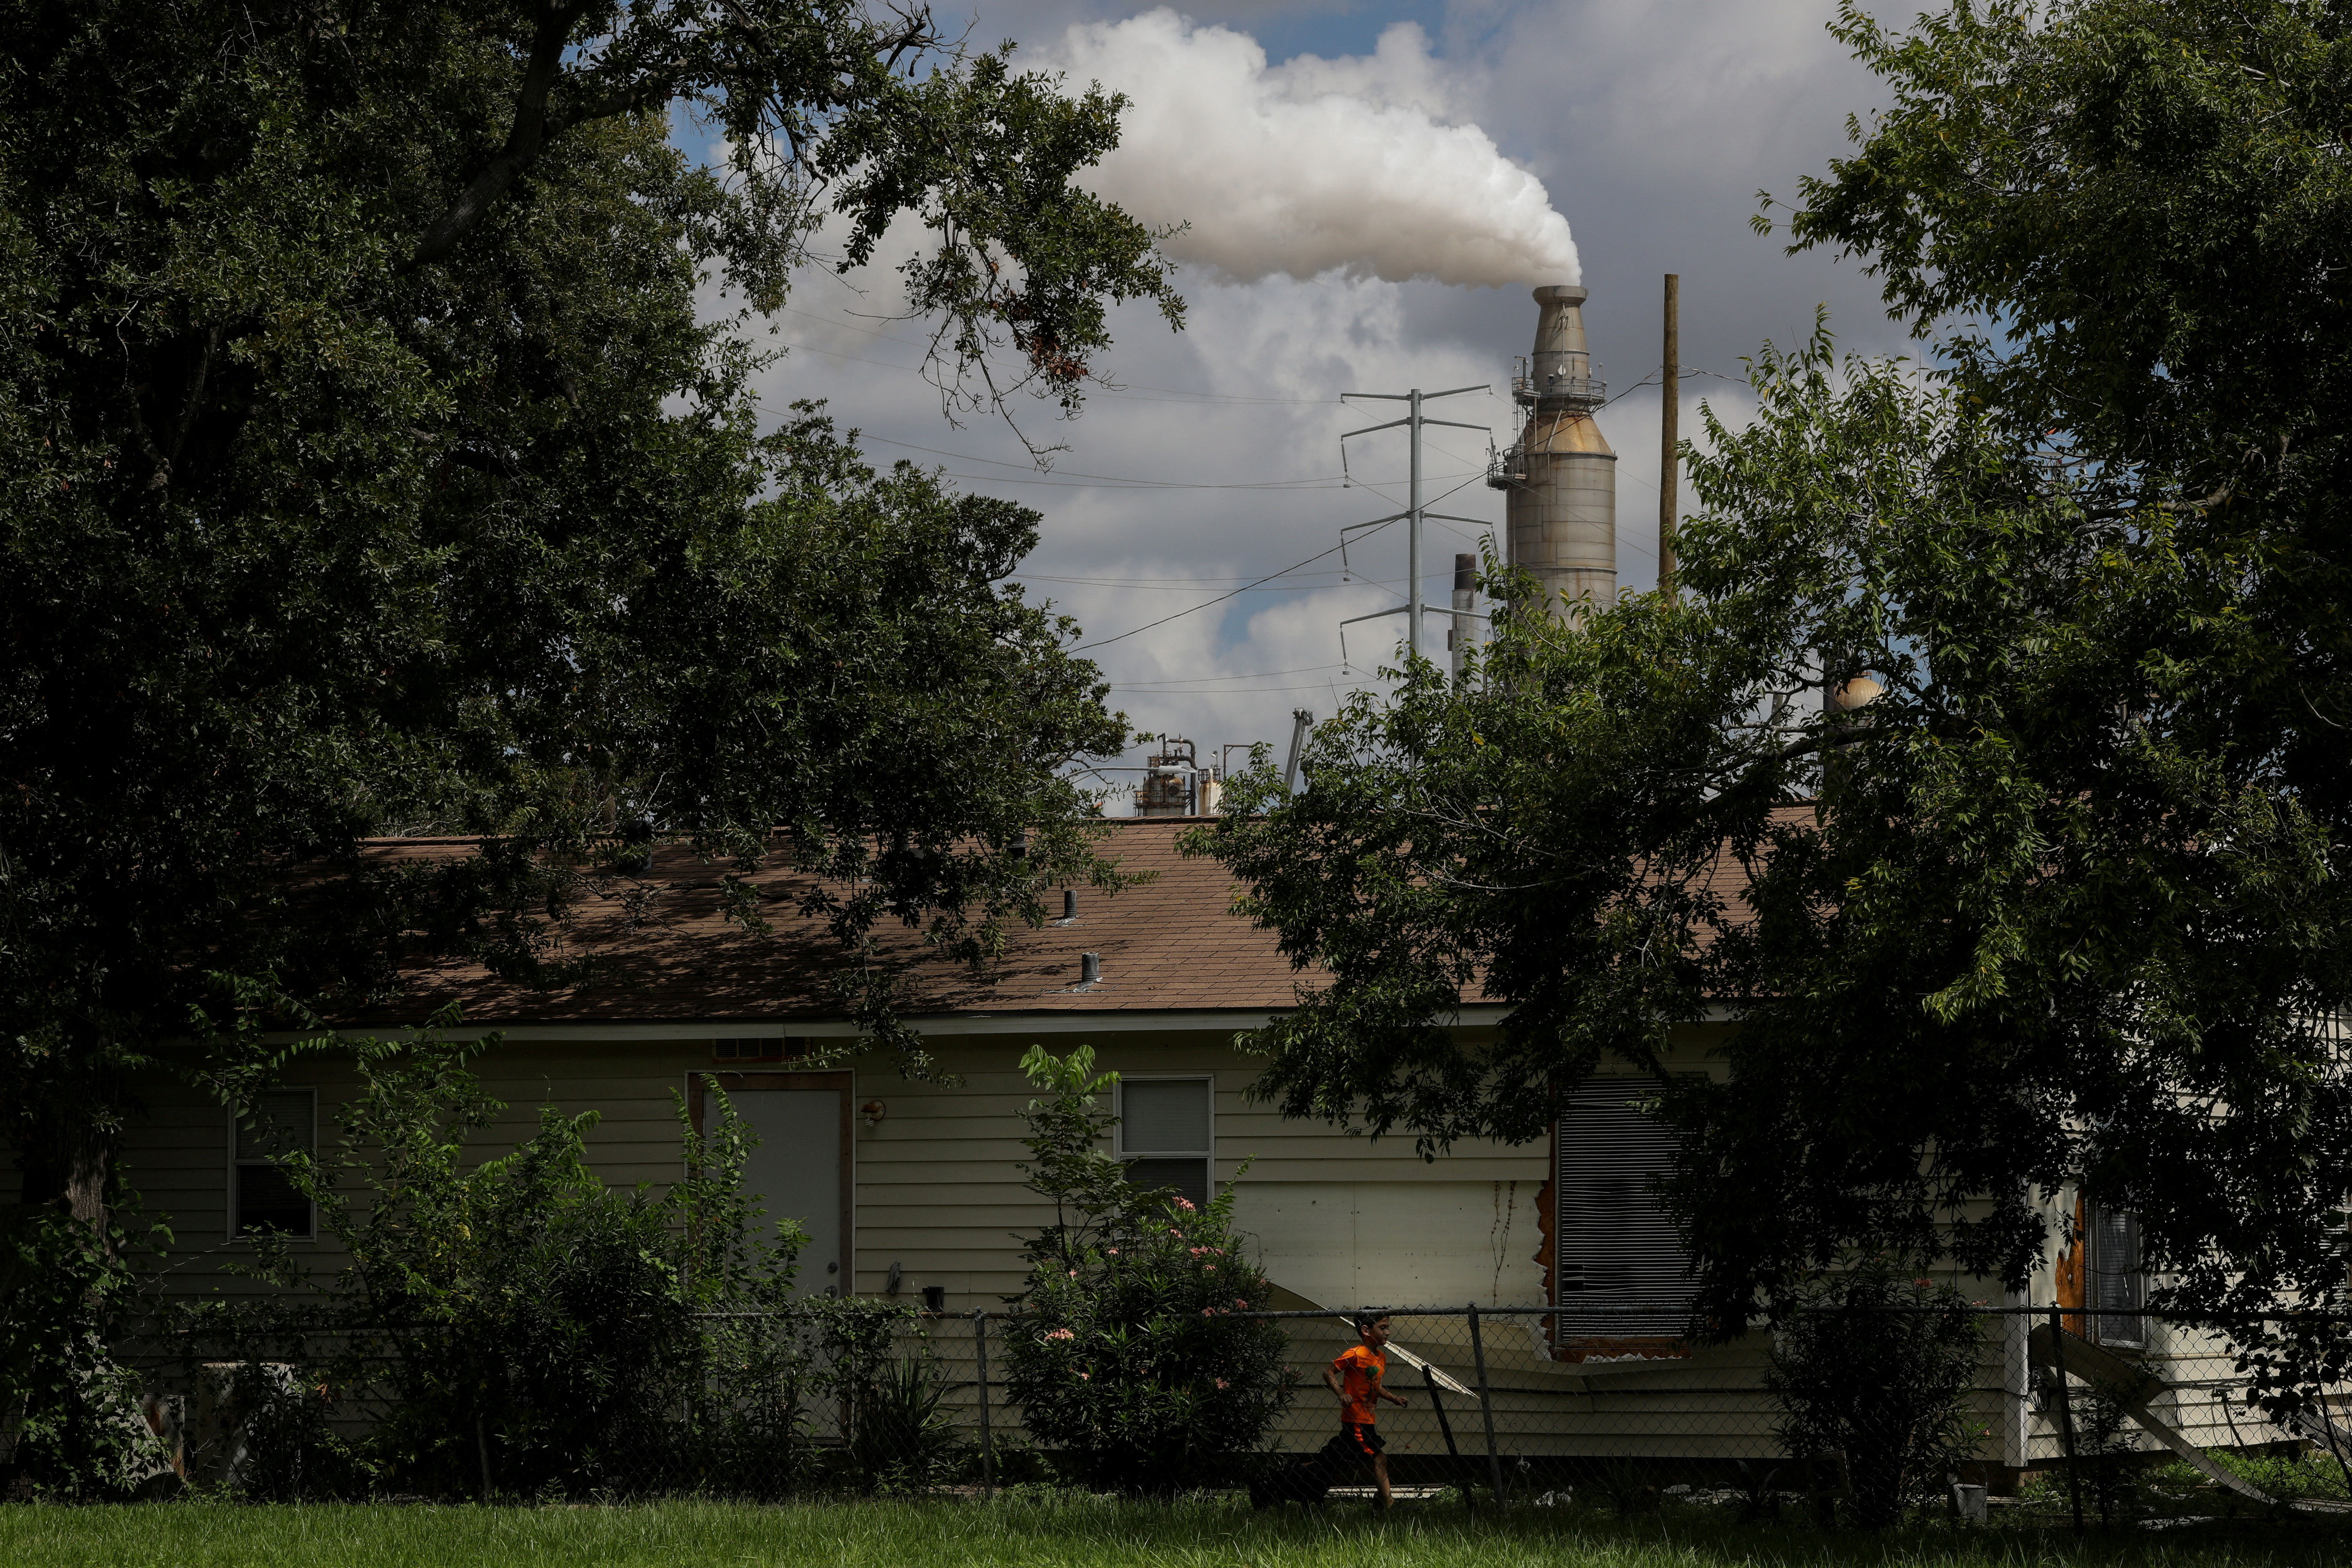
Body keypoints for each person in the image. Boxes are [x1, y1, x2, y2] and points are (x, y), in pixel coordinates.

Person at [1325, 1312, 1409, 1507]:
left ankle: (1299, 1476)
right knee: (1378, 1457)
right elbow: (1328, 1373)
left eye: (1387, 1328)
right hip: (1355, 1420)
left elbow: (1376, 1386)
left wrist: (1394, 1399)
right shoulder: (1355, 1354)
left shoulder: (1381, 1358)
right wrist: (1341, 1393)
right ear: (1365, 1330)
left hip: (1368, 1419)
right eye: (1382, 1328)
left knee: (1336, 1459)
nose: (1387, 1332)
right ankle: (1387, 1502)